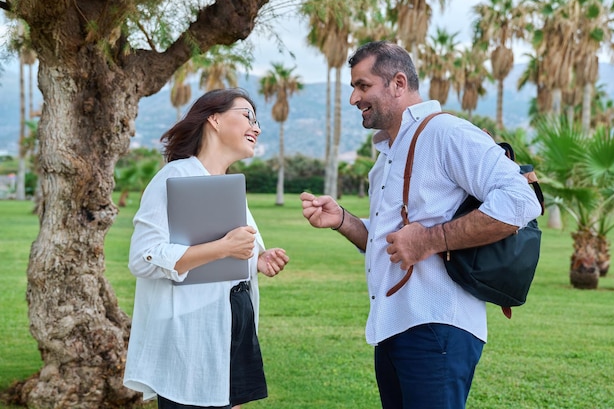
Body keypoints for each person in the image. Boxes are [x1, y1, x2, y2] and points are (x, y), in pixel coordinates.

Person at [300, 41, 542, 409]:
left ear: (398, 83)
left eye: (362, 86)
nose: (353, 98)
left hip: (436, 326)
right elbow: (393, 242)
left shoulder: (446, 133)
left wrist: (431, 239)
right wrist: (344, 221)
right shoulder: (386, 156)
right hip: (394, 326)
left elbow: (521, 201)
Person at [124, 88, 289, 409]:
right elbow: (142, 259)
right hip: (191, 334)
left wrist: (259, 259)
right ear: (214, 119)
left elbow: (233, 252)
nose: (256, 127)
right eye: (247, 117)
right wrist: (223, 248)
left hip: (232, 321)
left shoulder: (227, 183)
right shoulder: (174, 177)